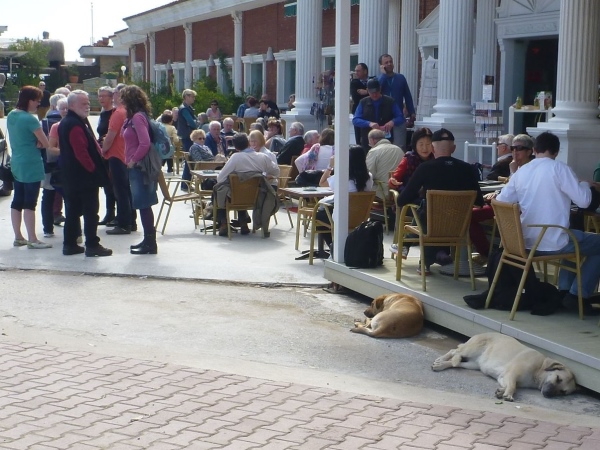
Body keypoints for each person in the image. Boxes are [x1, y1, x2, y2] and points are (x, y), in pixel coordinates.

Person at [496, 132, 600, 315]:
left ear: (534, 150)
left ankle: (565, 291)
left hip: (523, 242)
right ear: (556, 152)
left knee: (573, 236)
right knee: (588, 242)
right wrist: (584, 185)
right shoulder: (559, 169)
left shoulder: (522, 172)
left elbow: (501, 201)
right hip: (553, 241)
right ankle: (578, 295)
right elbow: (584, 202)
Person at [395, 128, 484, 274]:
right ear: (454, 148)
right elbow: (479, 201)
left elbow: (402, 200)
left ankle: (424, 262)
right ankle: (434, 259)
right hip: (459, 227)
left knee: (426, 214)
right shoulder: (467, 169)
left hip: (431, 226)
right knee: (431, 217)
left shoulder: (425, 168)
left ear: (432, 148)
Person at [57, 90, 112, 257]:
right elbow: (81, 152)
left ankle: (70, 245)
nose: (87, 106)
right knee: (90, 211)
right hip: (83, 177)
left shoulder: (69, 121)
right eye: (83, 104)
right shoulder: (74, 124)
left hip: (71, 176)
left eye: (88, 103)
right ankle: (92, 245)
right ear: (72, 105)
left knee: (73, 211)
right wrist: (94, 170)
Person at [6, 85, 52, 249]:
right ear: (29, 100)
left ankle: (19, 236)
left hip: (17, 161)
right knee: (30, 202)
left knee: (17, 200)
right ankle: (33, 238)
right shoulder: (30, 119)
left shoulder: (12, 115)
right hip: (31, 162)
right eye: (37, 100)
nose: (38, 104)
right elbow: (45, 142)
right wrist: (39, 141)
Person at [120, 85, 160, 255]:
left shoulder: (137, 117)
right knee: (143, 204)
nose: (120, 101)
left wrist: (133, 160)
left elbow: (144, 142)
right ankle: (148, 240)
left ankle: (150, 242)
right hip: (137, 165)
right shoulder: (135, 117)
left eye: (123, 98)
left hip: (140, 167)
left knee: (144, 204)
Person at [214, 133, 279, 236]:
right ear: (248, 143)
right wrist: (266, 175)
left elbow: (220, 178)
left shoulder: (236, 157)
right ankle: (243, 222)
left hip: (237, 196)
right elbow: (276, 171)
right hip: (257, 196)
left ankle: (223, 223)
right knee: (241, 188)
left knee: (219, 190)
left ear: (236, 147)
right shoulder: (263, 157)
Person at [316, 145, 374, 250]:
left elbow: (322, 182)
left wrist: (330, 166)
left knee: (317, 215)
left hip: (341, 217)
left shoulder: (341, 178)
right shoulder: (369, 177)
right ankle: (343, 247)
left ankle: (334, 248)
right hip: (361, 216)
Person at [101, 83, 136, 235]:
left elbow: (110, 136)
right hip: (126, 154)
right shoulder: (129, 111)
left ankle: (123, 223)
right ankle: (131, 221)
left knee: (120, 191)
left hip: (116, 154)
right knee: (126, 190)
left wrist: (102, 150)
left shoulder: (118, 113)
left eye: (114, 93)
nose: (112, 96)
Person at [352, 78, 405, 154]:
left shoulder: (390, 101)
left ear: (380, 89)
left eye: (376, 92)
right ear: (367, 90)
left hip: (385, 140)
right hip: (368, 141)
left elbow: (400, 117)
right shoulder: (363, 102)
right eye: (372, 92)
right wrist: (369, 123)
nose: (374, 95)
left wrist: (392, 122)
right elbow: (356, 120)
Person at [40, 93, 66, 237]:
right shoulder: (75, 122)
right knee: (70, 197)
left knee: (48, 195)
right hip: (66, 165)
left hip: (49, 164)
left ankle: (47, 229)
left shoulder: (43, 123)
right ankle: (74, 230)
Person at [377, 53, 416, 150]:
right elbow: (377, 91)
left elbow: (407, 95)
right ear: (381, 66)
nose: (389, 64)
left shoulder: (400, 78)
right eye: (386, 62)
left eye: (391, 62)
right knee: (384, 147)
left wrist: (411, 112)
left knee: (399, 146)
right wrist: (384, 75)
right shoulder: (378, 79)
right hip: (384, 118)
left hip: (398, 117)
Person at [96, 86, 117, 226]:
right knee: (107, 185)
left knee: (114, 184)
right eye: (99, 96)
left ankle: (118, 214)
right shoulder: (103, 113)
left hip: (113, 152)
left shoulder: (115, 113)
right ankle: (110, 213)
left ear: (111, 98)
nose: (101, 99)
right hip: (103, 152)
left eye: (104, 96)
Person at [365, 129, 403, 200]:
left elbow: (369, 174)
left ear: (372, 140)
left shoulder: (373, 151)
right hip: (399, 191)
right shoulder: (399, 149)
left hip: (381, 192)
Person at [350, 63, 370, 146]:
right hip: (359, 111)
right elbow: (356, 97)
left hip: (370, 111)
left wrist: (366, 92)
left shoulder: (372, 81)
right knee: (359, 136)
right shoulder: (354, 83)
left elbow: (378, 93)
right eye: (355, 71)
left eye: (358, 71)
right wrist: (370, 92)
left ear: (365, 71)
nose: (356, 73)